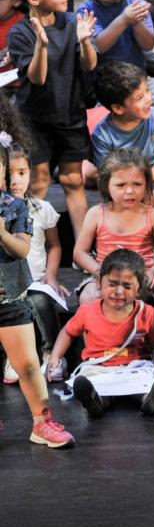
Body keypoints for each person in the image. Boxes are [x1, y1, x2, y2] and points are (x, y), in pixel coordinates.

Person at [5, 0, 96, 236]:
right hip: (35, 119)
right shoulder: (20, 33)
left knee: (72, 178)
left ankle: (82, 247)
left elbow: (89, 65)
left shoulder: (72, 22)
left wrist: (85, 41)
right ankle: (36, 247)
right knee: (40, 179)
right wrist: (41, 46)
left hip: (70, 114)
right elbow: (37, 78)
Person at [0, 131, 73, 448]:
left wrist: (0, 233)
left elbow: (20, 249)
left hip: (10, 294)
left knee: (28, 363)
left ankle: (42, 422)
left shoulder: (14, 207)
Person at [49, 248, 154, 420]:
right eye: (112, 284)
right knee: (90, 380)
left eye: (127, 286)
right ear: (99, 283)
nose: (118, 291)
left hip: (135, 367)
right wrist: (56, 356)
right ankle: (96, 402)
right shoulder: (87, 311)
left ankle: (149, 401)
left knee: (148, 380)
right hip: (99, 368)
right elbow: (67, 332)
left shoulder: (148, 313)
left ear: (139, 288)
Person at [72, 149, 154, 304]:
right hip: (104, 276)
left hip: (139, 279)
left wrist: (153, 272)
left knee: (131, 295)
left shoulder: (153, 215)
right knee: (89, 297)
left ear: (147, 184)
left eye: (137, 184)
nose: (129, 191)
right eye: (121, 185)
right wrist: (99, 272)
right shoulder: (96, 214)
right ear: (106, 185)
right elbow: (79, 252)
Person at [6, 143, 66, 361]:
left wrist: (50, 274)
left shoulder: (42, 209)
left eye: (21, 173)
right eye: (8, 173)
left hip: (35, 281)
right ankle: (12, 359)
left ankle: (52, 352)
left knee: (39, 301)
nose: (15, 180)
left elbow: (55, 246)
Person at [89, 61, 154, 187]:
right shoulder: (101, 135)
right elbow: (107, 172)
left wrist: (142, 180)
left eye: (147, 91)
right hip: (120, 184)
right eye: (140, 98)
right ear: (118, 108)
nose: (149, 98)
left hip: (153, 179)